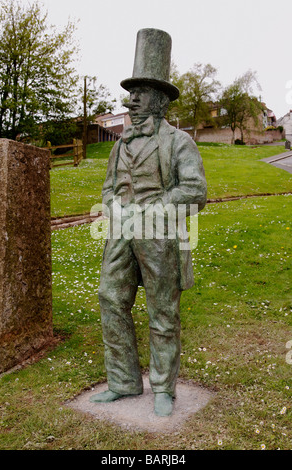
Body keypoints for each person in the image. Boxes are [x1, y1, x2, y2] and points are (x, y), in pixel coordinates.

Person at [90, 29, 207, 417]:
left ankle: (163, 388)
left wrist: (154, 209)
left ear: (159, 99)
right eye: (131, 92)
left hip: (160, 237)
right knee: (111, 298)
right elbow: (108, 188)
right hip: (121, 235)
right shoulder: (119, 144)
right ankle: (123, 382)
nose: (132, 99)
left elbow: (194, 191)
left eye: (140, 92)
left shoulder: (179, 142)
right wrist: (113, 208)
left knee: (162, 311)